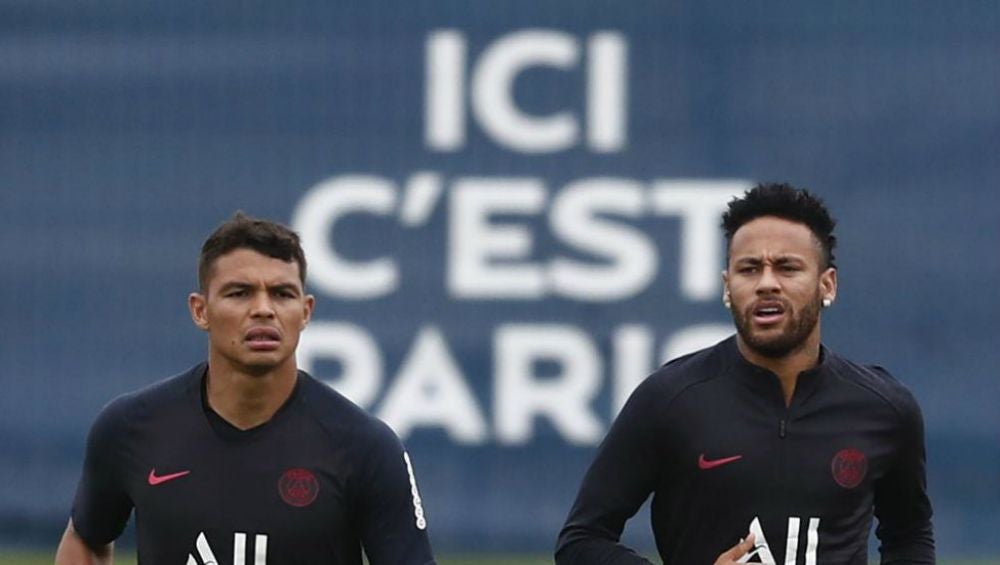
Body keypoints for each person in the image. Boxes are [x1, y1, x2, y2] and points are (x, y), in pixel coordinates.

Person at [555, 184, 934, 564]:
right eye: (749, 269)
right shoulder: (670, 399)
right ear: (727, 287)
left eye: (787, 267)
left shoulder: (884, 408)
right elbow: (582, 540)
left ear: (827, 284)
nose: (766, 283)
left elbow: (909, 535)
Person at [55, 213, 436, 565]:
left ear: (306, 312)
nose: (263, 309)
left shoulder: (364, 446)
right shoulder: (130, 428)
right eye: (239, 293)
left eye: (282, 294)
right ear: (200, 310)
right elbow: (87, 539)